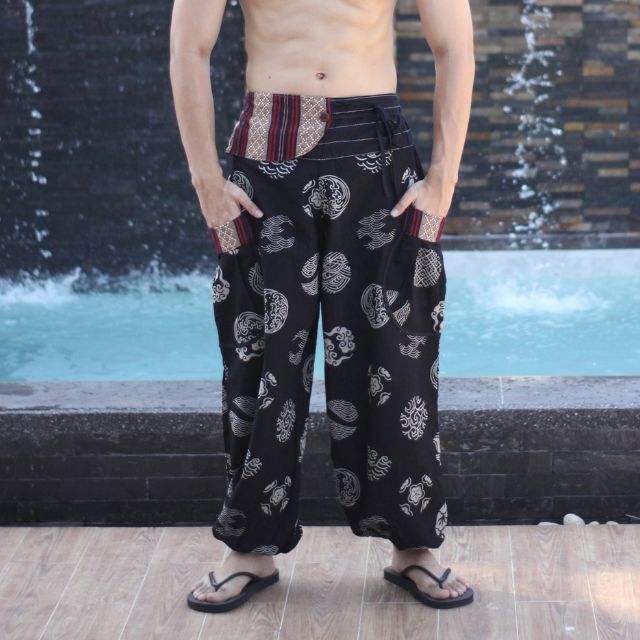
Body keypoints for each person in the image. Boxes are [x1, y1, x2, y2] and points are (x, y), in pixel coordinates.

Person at [170, 0, 475, 613]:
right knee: (260, 357)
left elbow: (455, 48)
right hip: (267, 151)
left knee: (398, 355)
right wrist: (206, 181)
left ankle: (413, 543)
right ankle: (249, 548)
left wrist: (443, 180)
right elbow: (188, 48)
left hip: (377, 153)